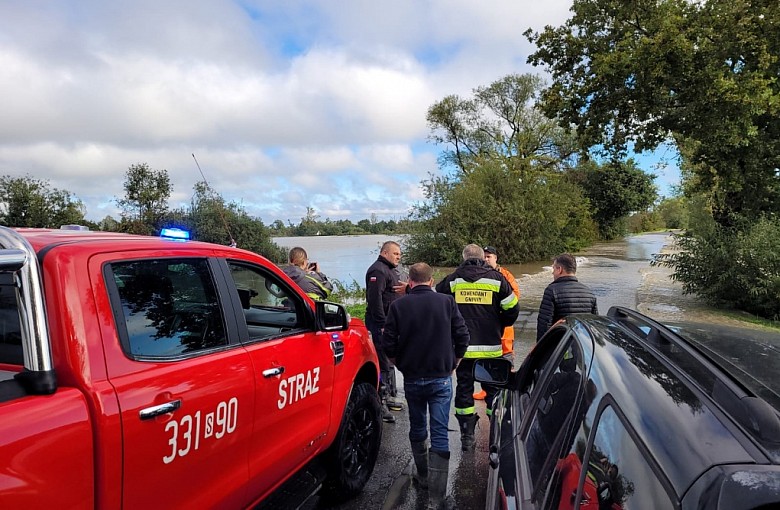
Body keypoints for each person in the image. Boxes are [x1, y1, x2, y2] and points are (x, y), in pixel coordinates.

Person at [383, 262, 470, 509]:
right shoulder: (446, 302)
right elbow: (462, 335)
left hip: (412, 378)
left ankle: (422, 477)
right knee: (440, 432)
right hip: (441, 377)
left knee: (418, 426)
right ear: (431, 281)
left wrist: (399, 364)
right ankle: (438, 498)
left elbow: (388, 343)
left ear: (410, 282)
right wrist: (455, 362)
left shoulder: (398, 306)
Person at [435, 244, 520, 451]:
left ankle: (467, 437)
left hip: (462, 350)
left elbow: (437, 301)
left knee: (464, 390)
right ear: (483, 258)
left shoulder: (453, 279)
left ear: (463, 257)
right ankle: (496, 436)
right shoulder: (497, 279)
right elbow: (512, 309)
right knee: (493, 391)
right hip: (491, 347)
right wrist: (499, 323)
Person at [365, 240, 408, 422]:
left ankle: (390, 396)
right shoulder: (378, 270)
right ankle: (380, 403)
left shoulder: (389, 269)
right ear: (384, 253)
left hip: (390, 324)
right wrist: (382, 325)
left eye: (399, 254)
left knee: (389, 361)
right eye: (395, 253)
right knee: (383, 362)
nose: (398, 256)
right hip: (380, 325)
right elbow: (375, 302)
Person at [475, 246, 521, 400]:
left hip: (505, 329)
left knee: (506, 360)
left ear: (496, 258)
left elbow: (515, 297)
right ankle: (486, 390)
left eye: (489, 256)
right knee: (486, 361)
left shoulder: (506, 275)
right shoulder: (479, 274)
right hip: (487, 329)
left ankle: (506, 394)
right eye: (484, 257)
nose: (486, 259)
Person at [536, 253, 598, 341]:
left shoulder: (551, 290)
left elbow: (544, 325)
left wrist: (539, 350)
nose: (552, 272)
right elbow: (594, 324)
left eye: (553, 268)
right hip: (581, 347)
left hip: (559, 346)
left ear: (560, 269)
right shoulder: (589, 292)